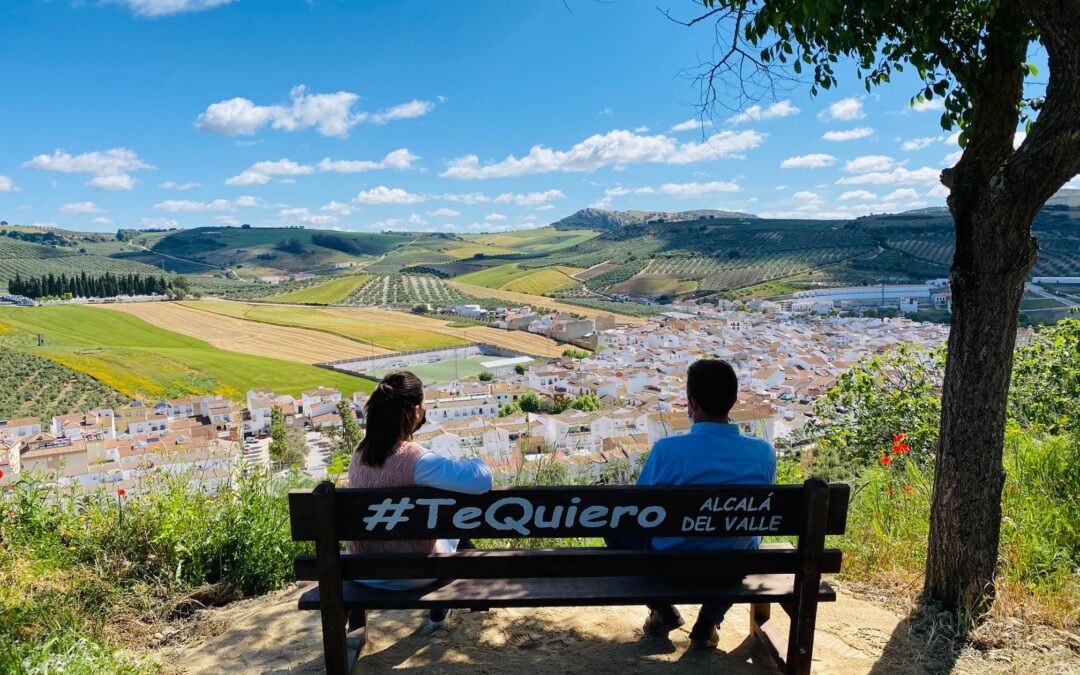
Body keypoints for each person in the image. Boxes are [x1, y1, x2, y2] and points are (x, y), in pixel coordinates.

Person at [612, 359, 777, 649]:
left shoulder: (667, 452)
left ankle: (662, 610)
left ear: (691, 403)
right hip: (731, 564)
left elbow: (636, 511)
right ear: (733, 401)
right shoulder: (763, 454)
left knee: (616, 530)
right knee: (740, 540)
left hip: (670, 564)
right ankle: (709, 620)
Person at [348, 370, 493, 633]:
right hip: (413, 574)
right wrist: (477, 461)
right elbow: (481, 481)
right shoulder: (417, 461)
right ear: (415, 412)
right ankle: (453, 608)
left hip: (363, 571)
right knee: (457, 526)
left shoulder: (358, 454)